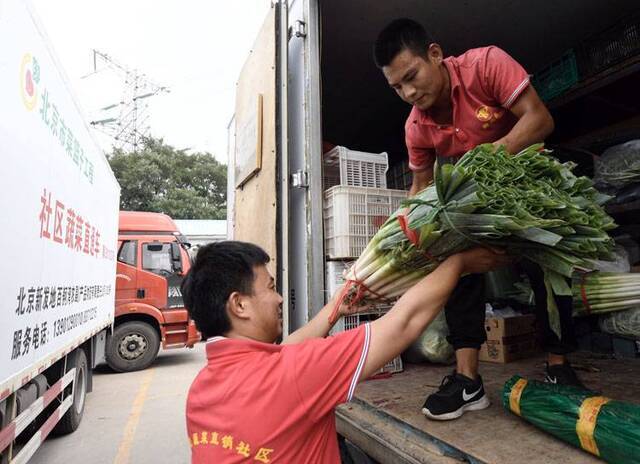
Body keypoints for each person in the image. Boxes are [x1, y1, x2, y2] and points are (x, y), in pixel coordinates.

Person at [373, 18, 585, 422]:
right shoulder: (415, 125)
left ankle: (559, 364)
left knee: (550, 261)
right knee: (453, 256)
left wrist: (487, 159)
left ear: (434, 54)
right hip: (474, 204)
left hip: (528, 183)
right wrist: (403, 232)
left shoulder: (485, 65)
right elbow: (420, 185)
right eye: (397, 87)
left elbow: (540, 120)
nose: (409, 92)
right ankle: (467, 380)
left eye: (412, 76)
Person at [183, 240, 509, 463]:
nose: (280, 298)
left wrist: (337, 305)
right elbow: (403, 323)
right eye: (270, 288)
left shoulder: (202, 389)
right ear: (239, 304)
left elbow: (285, 354)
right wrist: (459, 262)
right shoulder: (292, 376)